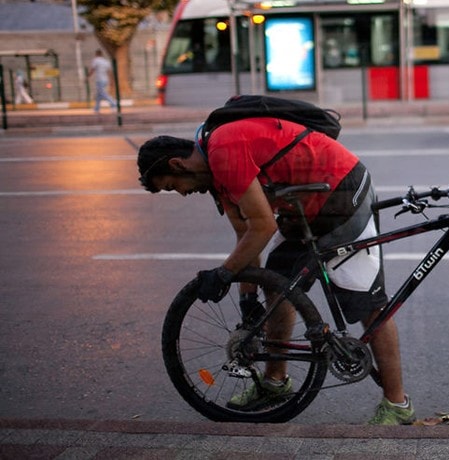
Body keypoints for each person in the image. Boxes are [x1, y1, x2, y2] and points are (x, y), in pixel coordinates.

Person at [136, 117, 415, 425]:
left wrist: (224, 274)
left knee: (369, 306)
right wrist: (247, 298)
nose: (182, 193)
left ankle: (397, 404)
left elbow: (264, 226)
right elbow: (246, 235)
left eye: (173, 186)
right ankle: (275, 383)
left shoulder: (223, 151)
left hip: (341, 190)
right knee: (277, 286)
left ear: (177, 164)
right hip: (304, 202)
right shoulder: (215, 177)